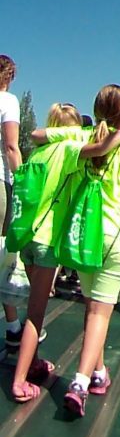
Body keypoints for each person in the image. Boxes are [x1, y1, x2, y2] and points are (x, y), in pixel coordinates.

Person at [33, 84, 120, 417]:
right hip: (115, 237)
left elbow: (37, 134)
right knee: (99, 312)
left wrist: (95, 140)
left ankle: (98, 372)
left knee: (92, 307)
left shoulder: (82, 137)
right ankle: (80, 384)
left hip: (83, 234)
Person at [12, 102, 120, 402]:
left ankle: (34, 362)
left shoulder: (37, 151)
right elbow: (101, 148)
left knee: (32, 306)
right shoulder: (67, 150)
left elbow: (37, 134)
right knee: (35, 314)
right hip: (47, 239)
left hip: (26, 236)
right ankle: (19, 380)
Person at [0, 55, 30, 347]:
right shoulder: (7, 101)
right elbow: (11, 146)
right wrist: (20, 181)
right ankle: (12, 326)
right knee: (2, 254)